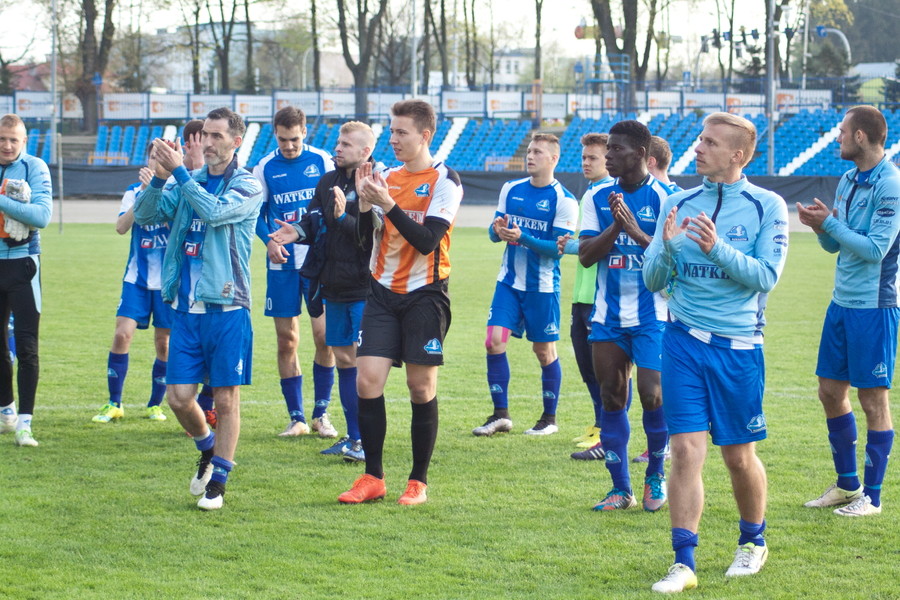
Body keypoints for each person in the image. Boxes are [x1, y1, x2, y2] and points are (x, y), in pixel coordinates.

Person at [643, 112, 788, 593]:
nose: (699, 148)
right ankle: (683, 562)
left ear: (737, 155)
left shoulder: (768, 206)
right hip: (681, 341)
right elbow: (652, 279)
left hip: (738, 347)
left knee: (738, 458)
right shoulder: (677, 202)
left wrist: (716, 248)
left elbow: (766, 276)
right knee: (686, 451)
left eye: (710, 142)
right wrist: (666, 250)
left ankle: (753, 541)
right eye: (700, 139)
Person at [133, 107, 263, 511]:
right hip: (185, 310)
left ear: (236, 141)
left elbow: (215, 212)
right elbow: (146, 215)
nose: (207, 142)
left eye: (216, 135)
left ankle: (219, 481)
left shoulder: (247, 184)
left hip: (227, 306)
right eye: (205, 134)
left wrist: (180, 173)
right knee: (177, 398)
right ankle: (207, 448)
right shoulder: (192, 180)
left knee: (225, 400)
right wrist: (159, 178)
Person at [336, 99, 463, 506]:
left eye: (401, 132)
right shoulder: (384, 177)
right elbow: (363, 239)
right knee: (367, 381)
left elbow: (427, 241)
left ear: (424, 135)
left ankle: (417, 481)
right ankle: (373, 476)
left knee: (420, 387)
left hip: (426, 294)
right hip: (381, 293)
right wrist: (362, 204)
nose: (393, 139)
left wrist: (387, 204)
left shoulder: (445, 180)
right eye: (391, 131)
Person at [797, 105, 900, 518]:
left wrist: (831, 225)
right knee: (829, 391)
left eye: (842, 132)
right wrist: (820, 228)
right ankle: (847, 485)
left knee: (873, 399)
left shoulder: (891, 184)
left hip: (874, 307)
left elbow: (875, 249)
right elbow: (835, 244)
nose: (837, 137)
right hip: (840, 303)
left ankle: (871, 497)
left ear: (860, 136)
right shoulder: (847, 179)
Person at [268, 121, 378, 462]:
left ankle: (367, 440)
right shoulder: (327, 181)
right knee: (344, 359)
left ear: (365, 151)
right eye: (338, 142)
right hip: (333, 285)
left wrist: (344, 217)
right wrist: (296, 232)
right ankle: (354, 438)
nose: (337, 148)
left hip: (363, 287)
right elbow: (313, 221)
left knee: (365, 367)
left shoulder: (375, 184)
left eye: (346, 144)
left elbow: (370, 237)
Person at [578, 120, 670, 512]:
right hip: (608, 316)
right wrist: (616, 225)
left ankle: (655, 475)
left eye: (617, 149)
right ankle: (620, 489)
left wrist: (635, 230)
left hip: (655, 315)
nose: (608, 155)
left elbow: (674, 261)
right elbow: (585, 256)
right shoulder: (597, 197)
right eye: (608, 149)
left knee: (652, 393)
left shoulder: (668, 198)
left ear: (641, 155)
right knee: (612, 397)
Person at [93, 120, 205, 424]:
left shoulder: (179, 191)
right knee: (122, 335)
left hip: (168, 283)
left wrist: (160, 189)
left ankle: (155, 404)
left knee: (164, 344)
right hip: (137, 280)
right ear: (147, 160)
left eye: (163, 156)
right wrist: (145, 193)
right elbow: (121, 227)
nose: (158, 161)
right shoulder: (134, 191)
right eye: (154, 156)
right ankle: (114, 403)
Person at [473, 133, 577, 437]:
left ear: (554, 158)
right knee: (493, 341)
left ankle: (549, 418)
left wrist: (524, 238)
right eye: (529, 151)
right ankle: (500, 415)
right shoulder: (511, 188)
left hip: (541, 288)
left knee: (544, 351)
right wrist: (497, 231)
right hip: (508, 282)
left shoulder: (565, 201)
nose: (530, 156)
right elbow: (494, 232)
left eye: (538, 152)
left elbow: (557, 249)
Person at [253, 106, 337, 438]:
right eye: (283, 140)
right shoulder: (265, 167)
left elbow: (334, 206)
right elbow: (256, 214)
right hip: (282, 264)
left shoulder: (321, 161)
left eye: (294, 139)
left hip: (318, 262)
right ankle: (297, 417)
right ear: (275, 134)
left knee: (324, 337)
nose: (289, 146)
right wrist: (268, 242)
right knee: (287, 340)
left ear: (304, 132)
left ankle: (321, 414)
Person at [0, 113, 52, 447]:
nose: (7, 145)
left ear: (24, 141)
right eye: (2, 139)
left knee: (27, 346)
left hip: (23, 266)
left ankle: (25, 424)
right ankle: (6, 411)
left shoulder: (35, 167)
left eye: (13, 140)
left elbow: (42, 216)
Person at [562, 133, 612, 460]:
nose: (586, 163)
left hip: (600, 297)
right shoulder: (590, 194)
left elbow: (599, 245)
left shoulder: (610, 195)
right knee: (587, 368)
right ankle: (599, 426)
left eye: (593, 157)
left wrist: (568, 245)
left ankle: (608, 432)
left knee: (606, 371)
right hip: (582, 296)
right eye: (583, 157)